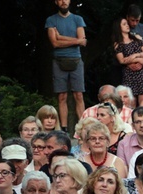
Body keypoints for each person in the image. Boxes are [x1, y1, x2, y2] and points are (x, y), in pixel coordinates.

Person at [45, 0, 86, 128]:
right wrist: (77, 40)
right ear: (56, 2)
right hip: (59, 61)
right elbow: (55, 43)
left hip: (76, 60)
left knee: (78, 95)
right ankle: (63, 129)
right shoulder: (51, 20)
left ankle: (84, 127)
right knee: (62, 96)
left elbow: (83, 41)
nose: (64, 1)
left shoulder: (78, 19)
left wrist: (61, 37)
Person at [112, 18, 143, 107]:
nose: (127, 25)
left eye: (127, 24)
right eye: (124, 24)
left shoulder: (136, 38)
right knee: (130, 102)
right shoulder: (118, 43)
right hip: (129, 74)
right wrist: (139, 59)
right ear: (118, 27)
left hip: (142, 72)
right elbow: (122, 60)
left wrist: (135, 56)